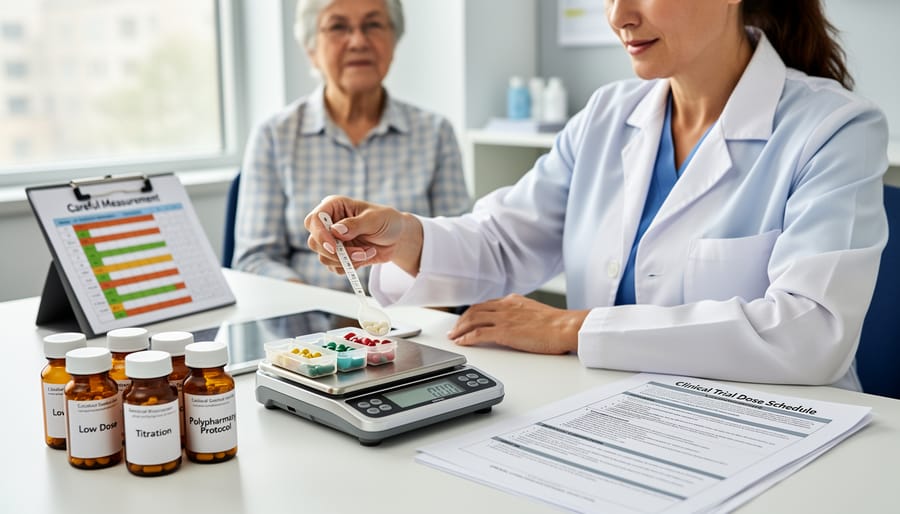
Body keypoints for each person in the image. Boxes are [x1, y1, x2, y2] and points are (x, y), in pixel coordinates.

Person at [305, 0, 889, 390]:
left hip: (779, 434)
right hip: (612, 414)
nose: (618, 15)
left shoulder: (834, 128)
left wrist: (572, 328)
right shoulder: (610, 115)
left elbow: (811, 332)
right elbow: (508, 241)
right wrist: (403, 237)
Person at [232, 0, 470, 293]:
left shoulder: (435, 134)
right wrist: (323, 310)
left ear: (393, 42)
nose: (358, 41)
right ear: (311, 50)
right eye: (338, 27)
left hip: (410, 322)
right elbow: (255, 259)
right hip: (309, 328)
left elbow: (456, 254)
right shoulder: (274, 135)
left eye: (373, 25)